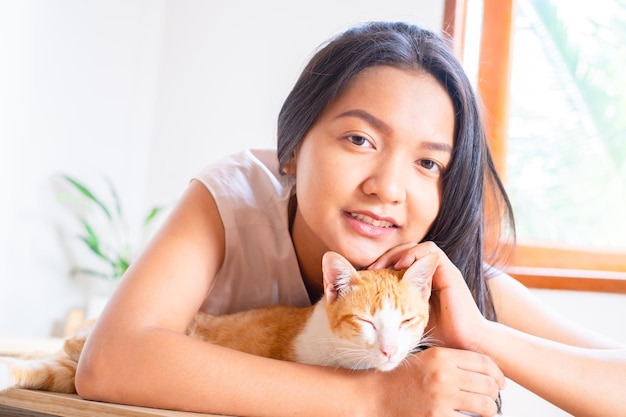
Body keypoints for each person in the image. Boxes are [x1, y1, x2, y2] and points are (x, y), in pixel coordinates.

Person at [75, 21, 626, 417]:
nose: (387, 187)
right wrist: (376, 398)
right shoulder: (234, 199)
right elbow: (111, 361)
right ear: (291, 149)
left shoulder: (438, 275)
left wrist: (479, 333)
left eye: (428, 163)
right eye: (360, 139)